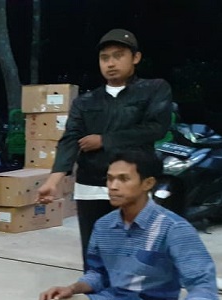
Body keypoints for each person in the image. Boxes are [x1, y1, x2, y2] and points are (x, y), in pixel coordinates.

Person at [30, 148, 218, 300]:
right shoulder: (105, 225)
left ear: (148, 183)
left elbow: (201, 280)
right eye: (109, 179)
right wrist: (72, 288)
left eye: (123, 179)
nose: (113, 186)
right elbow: (97, 273)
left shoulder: (173, 228)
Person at [36, 29, 173, 268]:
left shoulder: (154, 89)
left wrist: (105, 140)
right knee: (94, 251)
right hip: (91, 186)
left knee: (138, 250)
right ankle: (97, 297)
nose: (110, 63)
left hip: (134, 185)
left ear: (136, 58)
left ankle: (135, 298)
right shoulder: (85, 101)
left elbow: (155, 128)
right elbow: (70, 139)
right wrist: (53, 180)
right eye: (105, 57)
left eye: (118, 55)